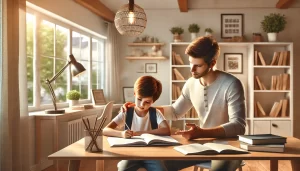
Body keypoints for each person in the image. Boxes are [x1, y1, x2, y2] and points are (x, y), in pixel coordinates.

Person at [123, 36, 246, 171]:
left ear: (212, 63)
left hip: (229, 147)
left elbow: (239, 126)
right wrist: (141, 107)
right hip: (201, 146)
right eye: (190, 63)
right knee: (157, 164)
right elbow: (175, 112)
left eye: (198, 65)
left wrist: (200, 133)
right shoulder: (191, 83)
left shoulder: (232, 84)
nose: (192, 70)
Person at [103, 75, 170, 171]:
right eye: (139, 99)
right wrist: (121, 134)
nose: (142, 105)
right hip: (130, 153)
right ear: (134, 94)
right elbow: (105, 130)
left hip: (151, 153)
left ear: (153, 101)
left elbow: (166, 130)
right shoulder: (126, 112)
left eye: (147, 102)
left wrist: (140, 133)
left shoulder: (155, 113)